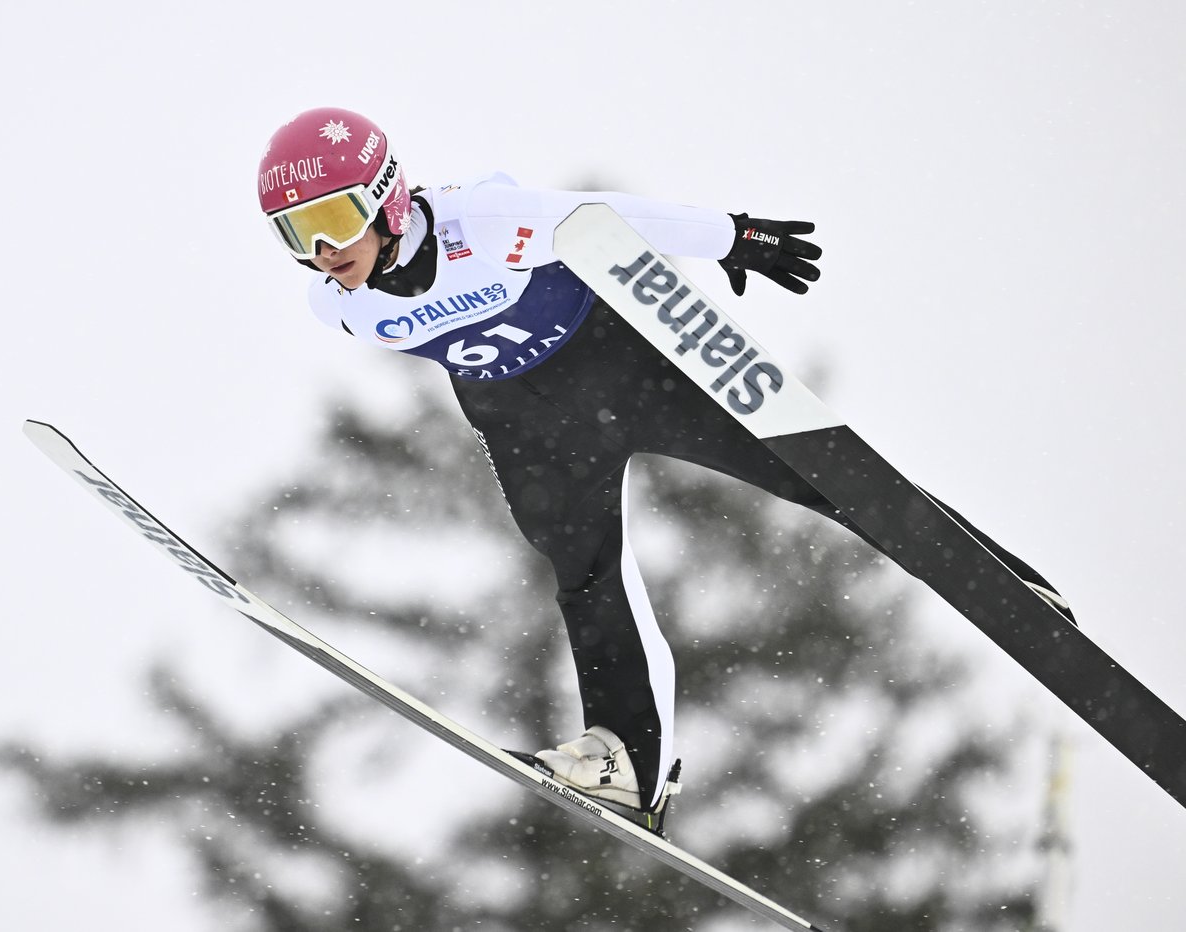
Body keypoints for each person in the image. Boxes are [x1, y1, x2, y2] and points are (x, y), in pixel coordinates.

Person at [256, 106, 1072, 820]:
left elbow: (604, 217)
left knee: (817, 474)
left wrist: (732, 238)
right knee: (582, 571)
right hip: (526, 427)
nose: (323, 249)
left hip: (624, 373)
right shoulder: (338, 305)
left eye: (334, 217)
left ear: (387, 194)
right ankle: (628, 758)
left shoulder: (482, 221)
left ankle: (999, 579)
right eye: (297, 232)